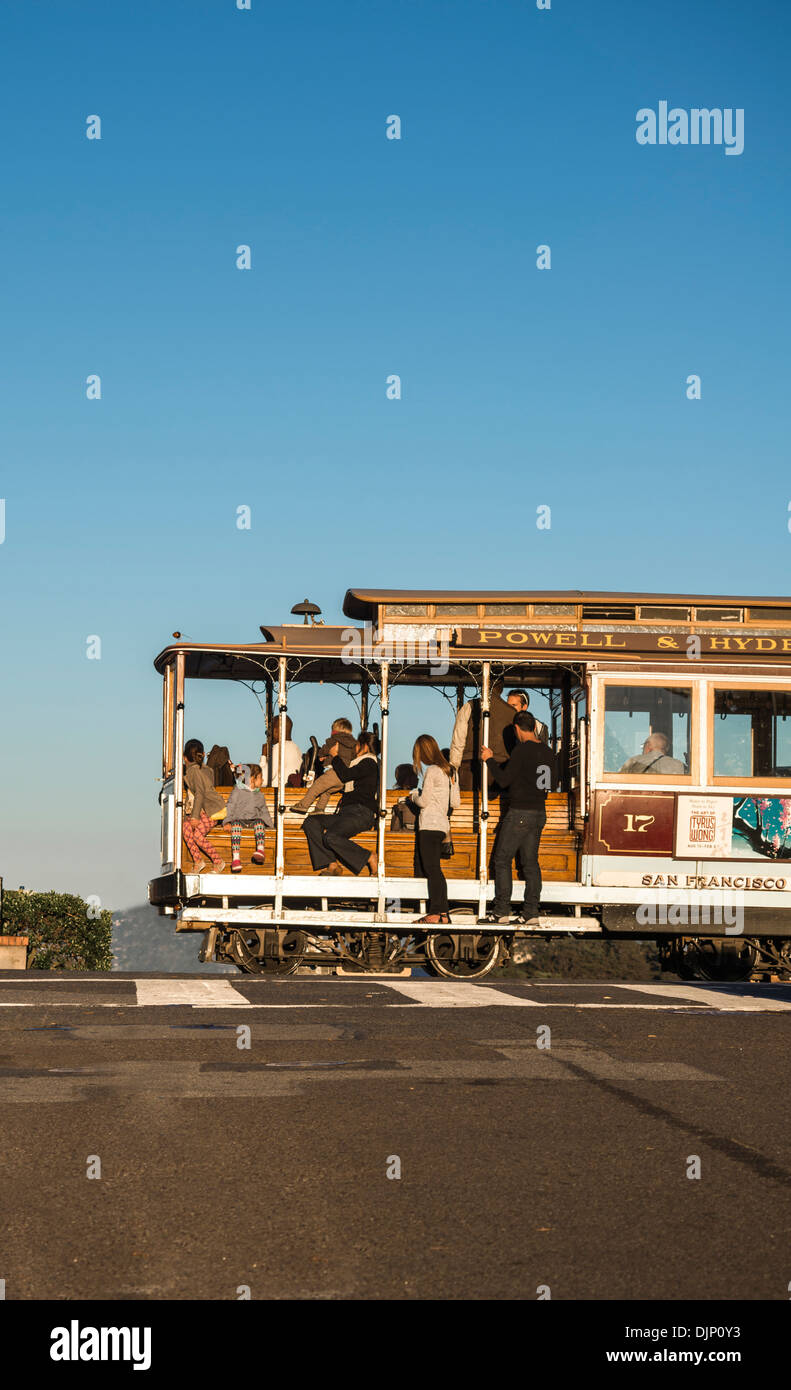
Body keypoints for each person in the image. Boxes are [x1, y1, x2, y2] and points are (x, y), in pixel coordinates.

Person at [480, 711, 558, 925]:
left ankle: (501, 912)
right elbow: (551, 784)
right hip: (539, 812)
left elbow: (504, 780)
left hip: (520, 812)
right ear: (533, 726)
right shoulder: (548, 752)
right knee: (530, 863)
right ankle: (531, 912)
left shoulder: (521, 751)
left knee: (502, 859)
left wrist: (489, 760)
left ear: (517, 729)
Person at [302, 730, 379, 876]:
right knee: (311, 822)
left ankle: (369, 856)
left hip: (361, 813)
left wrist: (335, 756)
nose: (354, 749)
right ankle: (331, 863)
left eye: (357, 745)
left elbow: (345, 775)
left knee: (331, 837)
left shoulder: (369, 762)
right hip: (347, 813)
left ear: (365, 747)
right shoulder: (358, 763)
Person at [409, 735, 460, 924]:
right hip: (442, 826)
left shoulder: (432, 770)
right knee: (434, 868)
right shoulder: (452, 771)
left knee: (432, 869)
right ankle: (442, 913)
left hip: (429, 825)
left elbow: (424, 801)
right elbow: (456, 802)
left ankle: (438, 911)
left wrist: (413, 795)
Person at [449, 679, 517, 790]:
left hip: (469, 767)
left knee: (468, 805)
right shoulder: (512, 713)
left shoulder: (470, 706)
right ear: (501, 689)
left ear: (483, 686)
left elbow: (458, 740)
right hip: (500, 769)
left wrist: (454, 768)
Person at [286, 717, 357, 816]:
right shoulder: (354, 744)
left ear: (334, 731)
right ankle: (319, 808)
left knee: (317, 785)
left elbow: (322, 752)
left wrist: (322, 756)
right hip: (344, 778)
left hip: (335, 773)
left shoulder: (335, 740)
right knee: (326, 791)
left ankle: (303, 805)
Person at [182, 739, 226, 873]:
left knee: (197, 836)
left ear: (185, 758)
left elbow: (200, 793)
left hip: (212, 810)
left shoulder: (194, 771)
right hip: (205, 810)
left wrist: (194, 817)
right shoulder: (205, 769)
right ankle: (198, 861)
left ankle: (218, 861)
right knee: (185, 828)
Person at [222, 763, 274, 873]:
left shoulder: (259, 795)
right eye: (260, 777)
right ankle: (236, 859)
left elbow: (264, 811)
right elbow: (230, 806)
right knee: (235, 826)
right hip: (239, 820)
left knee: (260, 823)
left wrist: (270, 825)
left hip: (253, 820)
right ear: (251, 779)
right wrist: (227, 821)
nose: (262, 780)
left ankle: (260, 850)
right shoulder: (238, 790)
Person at [260, 715, 302, 787]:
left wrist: (263, 756)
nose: (267, 735)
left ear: (276, 731)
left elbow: (263, 780)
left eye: (269, 731)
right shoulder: (297, 749)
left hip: (277, 795)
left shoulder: (279, 748)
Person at [619, 733, 685, 775]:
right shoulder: (679, 764)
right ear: (666, 749)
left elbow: (620, 781)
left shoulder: (634, 762)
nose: (642, 750)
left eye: (643, 746)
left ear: (648, 745)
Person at [390, 763, 419, 831]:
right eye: (415, 776)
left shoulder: (394, 793)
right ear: (407, 778)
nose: (417, 779)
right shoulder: (417, 794)